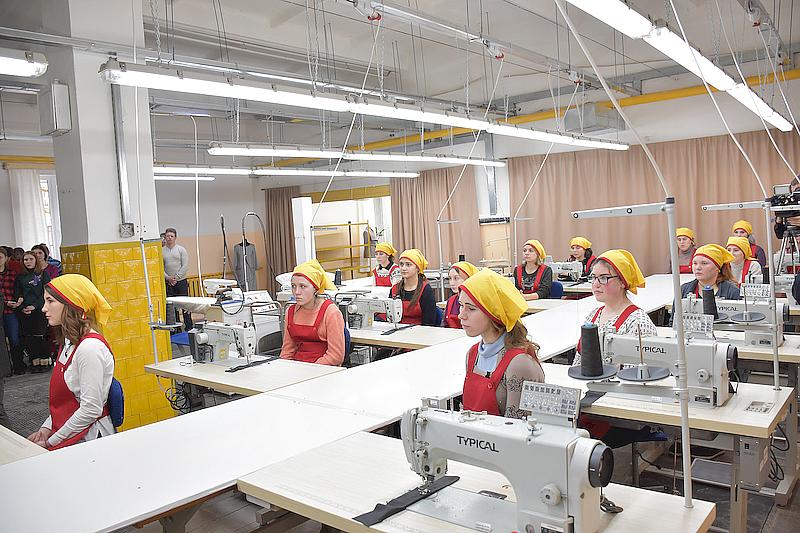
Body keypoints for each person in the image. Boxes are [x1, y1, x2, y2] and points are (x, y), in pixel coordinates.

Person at [27, 274, 115, 449]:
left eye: (50, 301)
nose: (44, 308)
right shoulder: (69, 342)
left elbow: (90, 410)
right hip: (69, 434)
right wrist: (46, 428)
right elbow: (66, 402)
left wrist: (51, 442)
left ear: (71, 305)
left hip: (90, 441)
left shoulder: (89, 349)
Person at [459, 268, 545, 419]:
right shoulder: (472, 355)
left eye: (471, 309)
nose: (461, 315)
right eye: (461, 305)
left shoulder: (519, 364)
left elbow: (517, 429)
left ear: (494, 313)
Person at [572, 250, 657, 367]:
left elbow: (636, 374)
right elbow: (578, 364)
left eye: (603, 278)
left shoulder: (638, 323)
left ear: (623, 282)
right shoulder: (593, 316)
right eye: (593, 277)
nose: (595, 284)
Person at [280, 259, 345, 366]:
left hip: (323, 370)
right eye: (293, 286)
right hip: (297, 368)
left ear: (315, 288)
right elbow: (287, 351)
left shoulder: (331, 313)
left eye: (303, 286)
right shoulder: (290, 312)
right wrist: (283, 368)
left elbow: (336, 356)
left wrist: (311, 370)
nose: (297, 292)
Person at [14, 251, 51, 372]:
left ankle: (45, 362)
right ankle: (35, 362)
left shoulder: (43, 274)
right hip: (25, 311)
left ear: (36, 260)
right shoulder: (20, 277)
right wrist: (22, 307)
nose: (28, 262)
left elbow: (46, 292)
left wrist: (34, 306)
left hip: (40, 310)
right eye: (26, 260)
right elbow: (17, 293)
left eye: (31, 259)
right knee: (30, 338)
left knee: (40, 336)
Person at [391, 249, 438, 326]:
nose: (403, 268)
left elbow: (429, 323)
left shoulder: (426, 290)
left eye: (408, 265)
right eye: (401, 264)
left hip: (419, 332)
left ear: (418, 268)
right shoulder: (394, 289)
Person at [162, 228, 192, 328]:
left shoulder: (181, 250)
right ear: (165, 237)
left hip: (181, 281)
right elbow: (160, 267)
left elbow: (185, 266)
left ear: (175, 237)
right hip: (168, 283)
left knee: (185, 305)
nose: (169, 238)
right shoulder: (161, 251)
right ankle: (176, 328)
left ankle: (189, 327)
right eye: (168, 236)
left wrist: (176, 277)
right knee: (172, 307)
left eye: (172, 236)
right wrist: (168, 278)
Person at [0, 248, 24, 374]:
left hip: (11, 311)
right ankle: (5, 368)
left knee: (14, 338)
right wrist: (5, 303)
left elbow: (19, 289)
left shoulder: (13, 273)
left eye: (0, 257)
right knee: (2, 341)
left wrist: (19, 298)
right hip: (1, 308)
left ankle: (18, 365)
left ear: (6, 259)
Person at [442, 261, 478, 328]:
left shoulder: (477, 302)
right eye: (450, 278)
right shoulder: (451, 301)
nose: (452, 283)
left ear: (469, 279)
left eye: (456, 278)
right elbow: (445, 325)